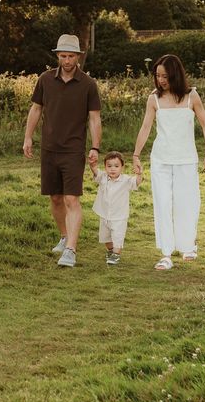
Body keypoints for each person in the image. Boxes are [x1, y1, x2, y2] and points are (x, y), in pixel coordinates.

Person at [23, 34, 102, 268]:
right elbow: (36, 109)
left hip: (73, 150)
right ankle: (64, 236)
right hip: (49, 149)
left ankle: (70, 250)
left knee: (71, 199)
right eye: (62, 56)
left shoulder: (88, 84)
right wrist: (28, 137)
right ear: (57, 56)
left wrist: (95, 146)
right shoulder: (45, 80)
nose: (67, 60)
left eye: (71, 56)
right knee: (56, 198)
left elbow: (95, 119)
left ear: (78, 56)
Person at [132, 54, 205, 270]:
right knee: (163, 204)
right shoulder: (154, 99)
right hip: (161, 160)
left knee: (187, 204)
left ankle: (188, 245)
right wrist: (136, 155)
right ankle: (166, 253)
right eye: (158, 76)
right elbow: (146, 128)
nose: (161, 80)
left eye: (165, 76)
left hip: (186, 159)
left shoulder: (191, 97)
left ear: (175, 74)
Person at [88, 150, 141, 265]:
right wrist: (92, 166)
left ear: (122, 167)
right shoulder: (103, 177)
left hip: (119, 216)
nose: (112, 169)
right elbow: (96, 172)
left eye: (116, 166)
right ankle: (111, 251)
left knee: (117, 236)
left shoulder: (126, 180)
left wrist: (139, 174)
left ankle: (116, 254)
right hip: (104, 214)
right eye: (109, 166)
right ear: (105, 167)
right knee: (105, 237)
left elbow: (136, 182)